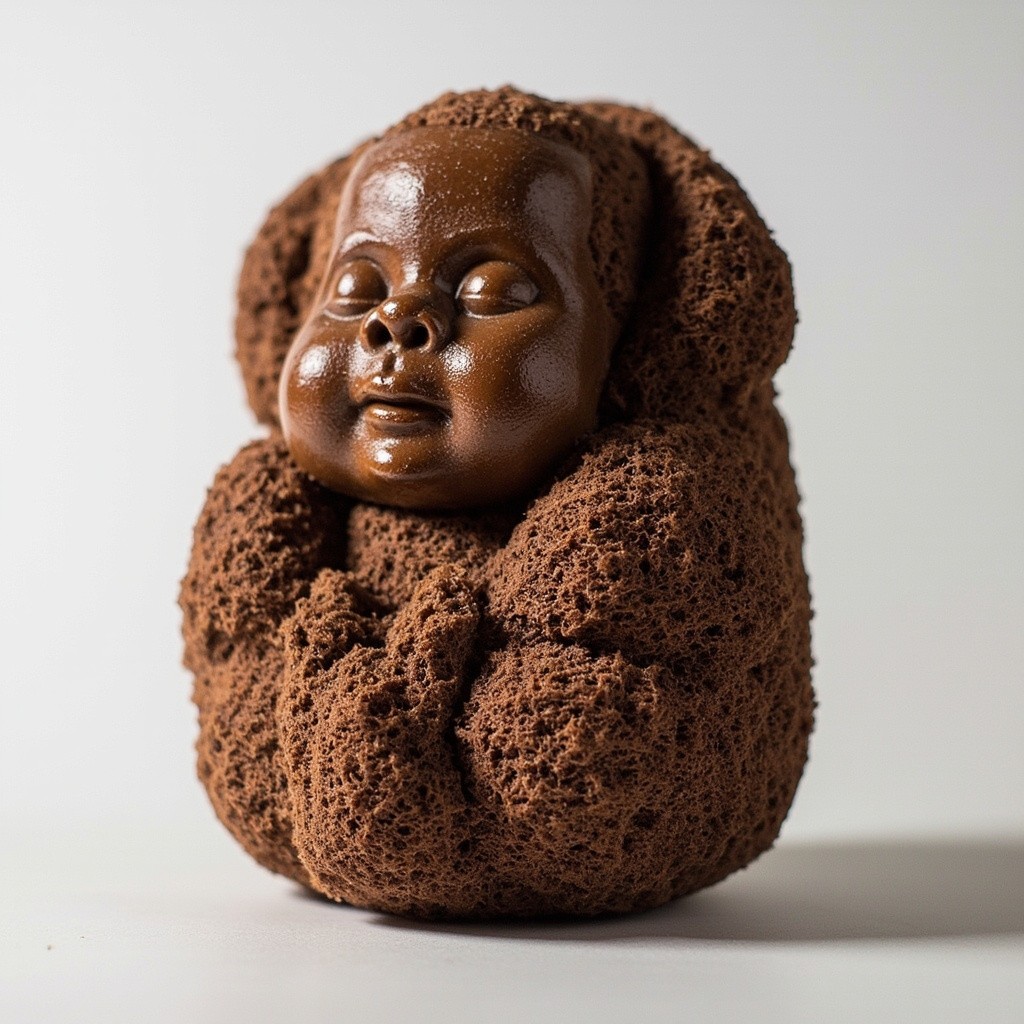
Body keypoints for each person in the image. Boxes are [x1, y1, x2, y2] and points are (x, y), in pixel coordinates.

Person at [181, 87, 813, 918]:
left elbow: (581, 765)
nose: (397, 322)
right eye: (358, 287)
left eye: (490, 291)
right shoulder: (281, 507)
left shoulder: (653, 520)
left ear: (628, 350)